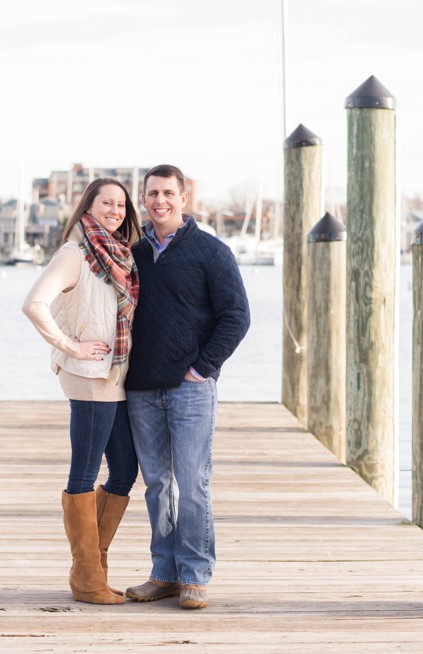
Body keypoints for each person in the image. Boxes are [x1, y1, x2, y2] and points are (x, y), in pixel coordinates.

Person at [124, 164, 250, 610]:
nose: (160, 201)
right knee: (157, 484)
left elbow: (237, 316)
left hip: (190, 389)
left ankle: (195, 575)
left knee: (193, 483)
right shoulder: (134, 254)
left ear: (184, 199)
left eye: (168, 194)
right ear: (145, 199)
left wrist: (203, 368)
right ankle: (164, 573)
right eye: (152, 194)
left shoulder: (211, 252)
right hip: (141, 389)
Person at [22, 178, 141, 605]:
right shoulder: (75, 253)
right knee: (84, 473)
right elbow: (33, 303)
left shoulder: (119, 254)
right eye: (106, 202)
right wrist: (71, 346)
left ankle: (93, 564)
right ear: (88, 205)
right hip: (88, 377)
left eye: (121, 205)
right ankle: (87, 577)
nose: (115, 210)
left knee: (126, 470)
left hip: (114, 378)